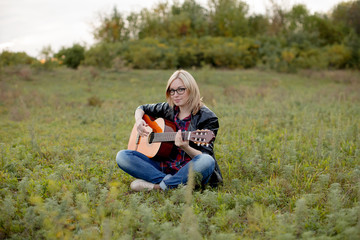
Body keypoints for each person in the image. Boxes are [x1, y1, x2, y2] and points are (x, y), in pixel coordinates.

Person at [116, 69, 222, 191]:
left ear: (191, 89)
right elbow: (141, 108)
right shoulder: (168, 108)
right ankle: (176, 185)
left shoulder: (208, 117)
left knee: (207, 161)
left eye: (181, 89)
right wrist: (139, 120)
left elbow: (204, 155)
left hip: (189, 169)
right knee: (122, 156)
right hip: (164, 165)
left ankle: (159, 187)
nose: (175, 94)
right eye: (172, 91)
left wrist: (185, 147)